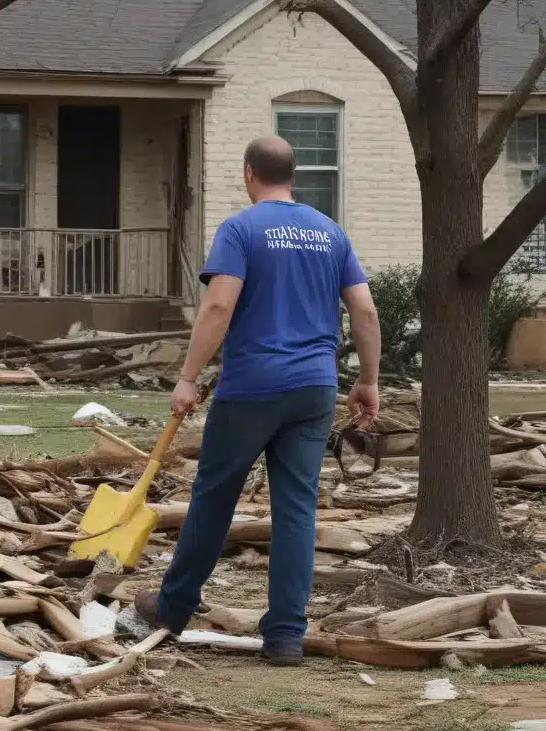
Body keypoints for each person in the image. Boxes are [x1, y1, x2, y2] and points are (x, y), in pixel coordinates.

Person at [134, 135, 381, 666]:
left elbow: (218, 307)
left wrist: (187, 377)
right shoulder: (330, 233)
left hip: (252, 387)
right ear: (294, 176)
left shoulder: (241, 229)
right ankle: (286, 637)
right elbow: (365, 312)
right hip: (315, 388)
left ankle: (173, 609)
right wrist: (368, 380)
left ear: (249, 174)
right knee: (296, 509)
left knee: (214, 497)